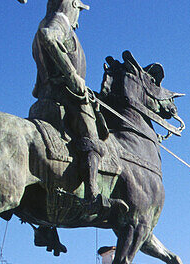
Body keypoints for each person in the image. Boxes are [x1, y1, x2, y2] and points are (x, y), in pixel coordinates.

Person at [30, 0, 114, 220]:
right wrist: (72, 75)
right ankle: (92, 194)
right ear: (73, 6)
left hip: (44, 100)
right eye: (79, 11)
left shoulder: (47, 21)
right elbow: (48, 36)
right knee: (92, 141)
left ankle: (45, 226)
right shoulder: (59, 21)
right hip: (67, 98)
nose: (79, 20)